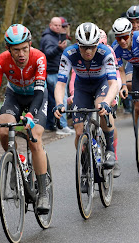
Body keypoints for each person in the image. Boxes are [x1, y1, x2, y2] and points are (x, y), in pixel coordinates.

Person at [0, 24, 50, 214]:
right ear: (9, 49)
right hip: (14, 96)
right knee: (3, 130)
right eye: (16, 50)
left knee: (34, 138)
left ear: (30, 45)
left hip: (37, 97)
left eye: (25, 48)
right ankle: (18, 161)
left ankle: (43, 192)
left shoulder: (39, 57)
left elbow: (40, 92)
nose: (21, 54)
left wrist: (31, 115)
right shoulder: (1, 61)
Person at [54, 22, 125, 171]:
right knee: (79, 132)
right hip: (82, 87)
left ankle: (110, 150)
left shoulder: (105, 52)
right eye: (84, 47)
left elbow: (113, 83)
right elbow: (61, 83)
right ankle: (85, 164)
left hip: (102, 84)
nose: (88, 51)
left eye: (92, 46)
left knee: (101, 107)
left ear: (97, 44)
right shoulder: (68, 53)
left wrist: (107, 101)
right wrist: (60, 103)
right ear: (77, 44)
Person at [40, 17, 74, 135]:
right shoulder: (48, 38)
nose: (58, 27)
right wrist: (59, 48)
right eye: (55, 25)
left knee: (52, 100)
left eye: (60, 25)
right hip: (53, 72)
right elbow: (46, 54)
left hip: (53, 72)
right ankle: (62, 126)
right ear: (50, 25)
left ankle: (52, 125)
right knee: (62, 99)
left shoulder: (55, 36)